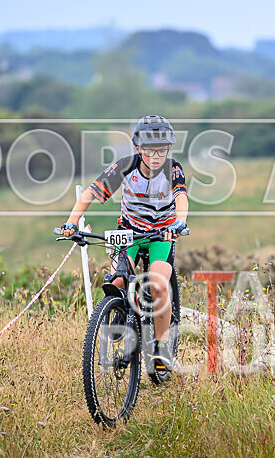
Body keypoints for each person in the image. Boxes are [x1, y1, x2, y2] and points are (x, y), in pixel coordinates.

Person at [59, 115, 188, 372]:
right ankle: (120, 311)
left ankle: (162, 346)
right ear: (138, 149)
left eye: (161, 151)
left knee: (159, 285)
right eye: (149, 151)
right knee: (116, 281)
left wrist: (180, 222)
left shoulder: (172, 169)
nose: (156, 157)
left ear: (168, 149)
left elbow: (181, 197)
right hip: (129, 232)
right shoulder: (125, 166)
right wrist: (72, 223)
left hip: (161, 235)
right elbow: (90, 193)